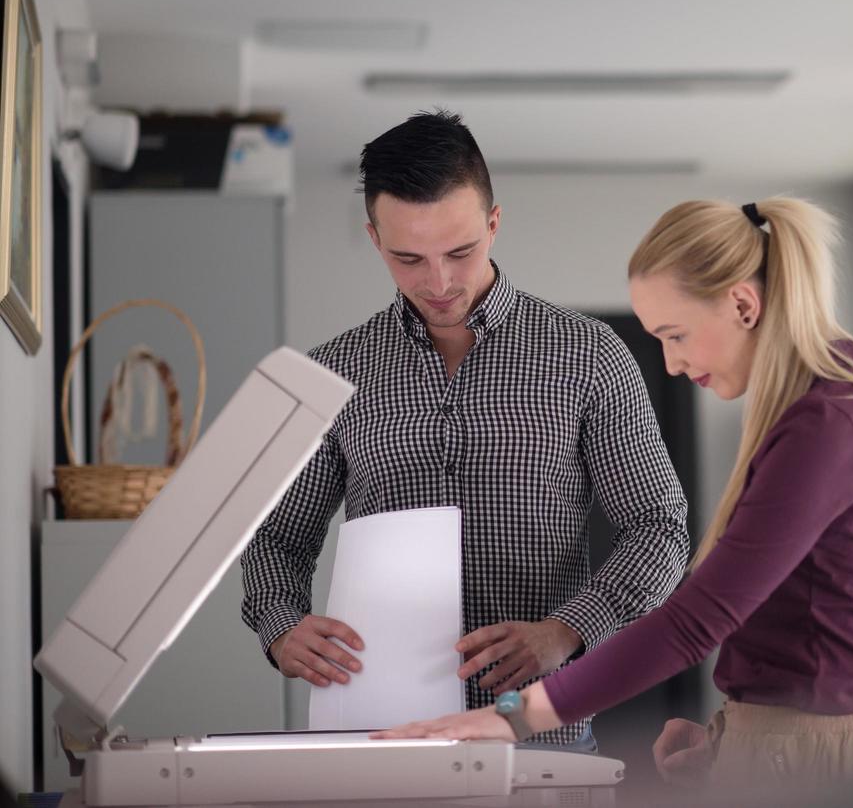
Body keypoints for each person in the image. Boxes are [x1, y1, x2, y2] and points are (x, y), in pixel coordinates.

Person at [375, 197, 853, 786]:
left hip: (831, 763)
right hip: (788, 747)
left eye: (675, 335)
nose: (671, 363)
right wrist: (738, 727)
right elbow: (808, 618)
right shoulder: (807, 418)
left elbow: (694, 622)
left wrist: (509, 717)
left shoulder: (827, 426)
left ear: (743, 305)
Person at [241, 110, 690, 748]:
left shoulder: (588, 356)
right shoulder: (334, 373)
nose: (440, 281)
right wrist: (281, 626)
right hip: (382, 740)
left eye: (460, 251)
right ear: (373, 239)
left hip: (541, 743)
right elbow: (275, 539)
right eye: (408, 258)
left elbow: (660, 528)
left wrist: (566, 630)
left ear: (494, 223)